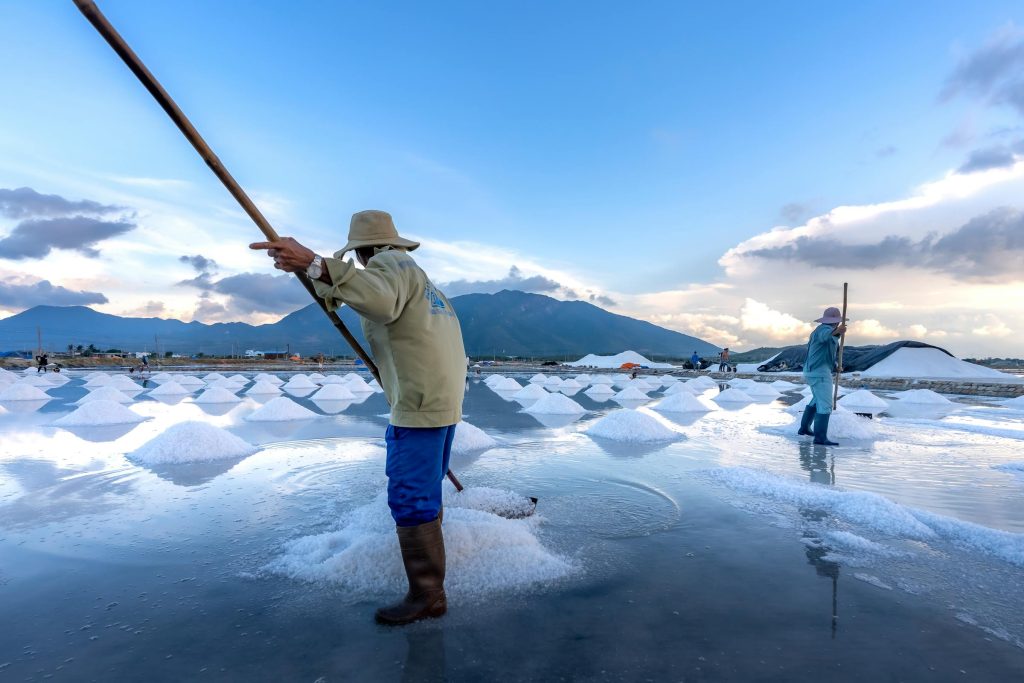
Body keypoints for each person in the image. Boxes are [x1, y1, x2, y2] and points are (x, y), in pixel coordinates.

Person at [251, 210, 466, 626]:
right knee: (423, 486)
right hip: (440, 397)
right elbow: (368, 295)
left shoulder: (389, 264)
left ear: (363, 251)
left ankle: (428, 594)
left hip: (420, 402)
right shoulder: (416, 275)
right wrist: (319, 276)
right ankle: (430, 581)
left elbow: (379, 302)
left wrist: (313, 262)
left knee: (408, 495)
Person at [799, 307, 847, 446]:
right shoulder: (823, 330)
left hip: (816, 370)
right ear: (836, 322)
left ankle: (804, 428)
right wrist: (837, 331)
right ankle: (820, 438)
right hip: (818, 373)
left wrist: (836, 365)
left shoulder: (829, 335)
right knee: (826, 404)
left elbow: (826, 354)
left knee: (816, 400)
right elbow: (826, 335)